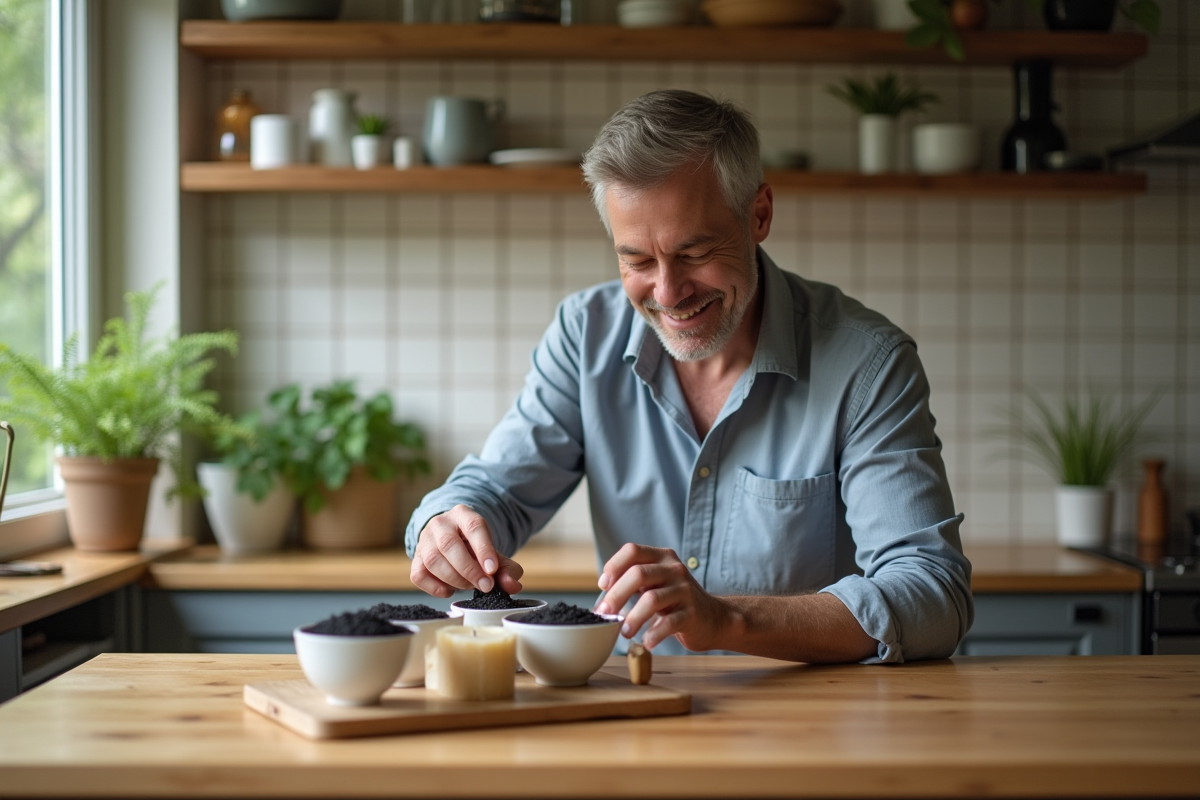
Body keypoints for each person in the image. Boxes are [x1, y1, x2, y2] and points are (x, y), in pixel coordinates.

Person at [404, 90, 973, 664]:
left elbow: (933, 594)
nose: (669, 293)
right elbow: (498, 490)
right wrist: (446, 524)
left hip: (813, 711)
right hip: (639, 701)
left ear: (759, 215)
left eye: (695, 253)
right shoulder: (584, 335)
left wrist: (728, 619)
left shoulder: (868, 364)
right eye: (637, 261)